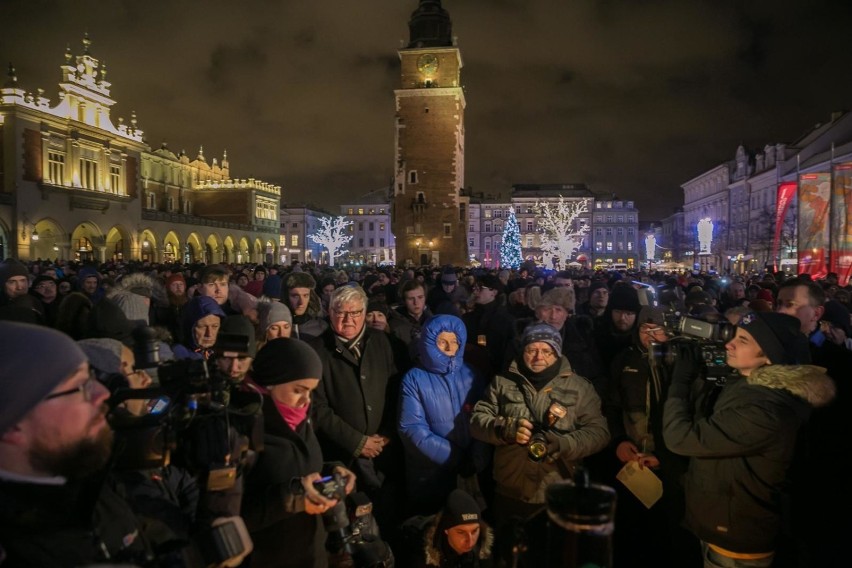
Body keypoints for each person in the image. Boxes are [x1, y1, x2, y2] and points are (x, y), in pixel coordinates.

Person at [662, 311, 835, 568]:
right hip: (723, 522)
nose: (728, 344)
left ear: (768, 356)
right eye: (734, 335)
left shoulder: (765, 409)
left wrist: (679, 383)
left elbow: (681, 438)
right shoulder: (745, 384)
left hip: (737, 542)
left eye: (743, 340)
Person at [0, 321, 153, 566]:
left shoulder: (84, 473)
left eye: (91, 377)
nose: (102, 393)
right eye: (79, 387)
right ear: (13, 424)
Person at [470, 322, 610, 532]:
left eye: (546, 350)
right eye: (531, 350)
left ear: (557, 353)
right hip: (510, 490)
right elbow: (477, 420)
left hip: (558, 490)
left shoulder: (579, 388)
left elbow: (600, 433)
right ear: (522, 350)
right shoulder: (502, 383)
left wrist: (564, 443)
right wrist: (504, 428)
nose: (538, 357)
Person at [241, 337, 357, 568]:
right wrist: (292, 499)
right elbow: (235, 513)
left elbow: (302, 467)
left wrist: (331, 471)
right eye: (298, 390)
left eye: (311, 391)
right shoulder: (243, 428)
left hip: (312, 554)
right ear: (271, 383)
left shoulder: (301, 418)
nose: (306, 400)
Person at [308, 284, 409, 539]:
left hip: (384, 454)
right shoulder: (319, 351)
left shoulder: (383, 343)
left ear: (364, 313)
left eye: (355, 313)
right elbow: (318, 408)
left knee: (386, 519)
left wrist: (386, 433)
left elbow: (395, 390)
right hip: (343, 457)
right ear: (330, 313)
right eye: (341, 312)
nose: (348, 319)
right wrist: (357, 442)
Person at [603, 307, 700, 567]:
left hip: (673, 465)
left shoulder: (683, 362)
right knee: (633, 529)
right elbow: (612, 406)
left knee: (672, 532)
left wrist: (666, 457)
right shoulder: (624, 360)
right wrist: (619, 441)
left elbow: (693, 416)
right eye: (646, 330)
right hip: (632, 461)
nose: (652, 335)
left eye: (659, 330)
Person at [398, 314, 488, 516]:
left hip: (468, 471)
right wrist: (454, 457)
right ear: (429, 343)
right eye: (442, 342)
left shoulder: (471, 374)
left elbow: (485, 416)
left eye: (454, 342)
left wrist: (477, 457)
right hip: (430, 472)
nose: (449, 348)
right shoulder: (415, 378)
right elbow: (411, 428)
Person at [400, 488, 494, 568]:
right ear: (446, 530)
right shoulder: (423, 554)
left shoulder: (482, 548)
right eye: (461, 532)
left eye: (474, 531)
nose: (470, 541)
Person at [389, 279, 432, 357]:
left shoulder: (433, 322)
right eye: (411, 299)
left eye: (420, 297)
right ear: (404, 301)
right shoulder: (394, 325)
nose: (416, 302)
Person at [281, 271, 328, 341]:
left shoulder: (322, 327)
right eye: (295, 296)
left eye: (305, 295)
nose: (301, 302)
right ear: (286, 296)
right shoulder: (275, 325)